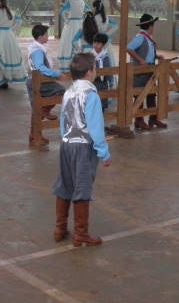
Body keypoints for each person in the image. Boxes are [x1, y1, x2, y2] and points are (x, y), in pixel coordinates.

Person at [52, 52, 112, 247]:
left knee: (65, 184)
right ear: (89, 72)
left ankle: (60, 228)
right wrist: (104, 152)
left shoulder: (68, 92)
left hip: (67, 144)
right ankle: (81, 233)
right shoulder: (91, 95)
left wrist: (65, 137)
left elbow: (63, 119)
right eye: (94, 68)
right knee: (82, 187)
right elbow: (95, 127)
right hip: (83, 147)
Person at [26, 24, 67, 147]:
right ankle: (45, 111)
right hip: (38, 82)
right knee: (60, 90)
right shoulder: (37, 51)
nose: (48, 36)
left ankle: (35, 135)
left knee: (36, 108)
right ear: (40, 37)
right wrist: (56, 74)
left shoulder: (37, 48)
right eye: (46, 34)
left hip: (36, 81)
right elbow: (40, 67)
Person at [126, 14, 167, 131]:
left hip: (150, 70)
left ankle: (153, 118)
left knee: (151, 94)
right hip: (141, 71)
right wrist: (140, 60)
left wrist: (157, 56)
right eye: (153, 25)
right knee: (140, 94)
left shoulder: (147, 38)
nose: (154, 28)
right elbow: (129, 48)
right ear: (150, 26)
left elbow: (148, 52)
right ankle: (139, 120)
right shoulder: (140, 37)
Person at [0, 0, 27, 89]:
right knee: (8, 56)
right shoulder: (11, 12)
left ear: (0, 3)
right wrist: (13, 30)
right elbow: (19, 21)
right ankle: (5, 81)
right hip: (9, 35)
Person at [56, 0, 90, 71]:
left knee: (67, 41)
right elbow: (89, 10)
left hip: (71, 24)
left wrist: (66, 20)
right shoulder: (82, 1)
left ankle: (67, 64)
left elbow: (61, 11)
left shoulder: (69, 1)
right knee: (80, 41)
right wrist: (83, 17)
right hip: (80, 23)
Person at [92, 0, 118, 72]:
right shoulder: (106, 17)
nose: (92, 9)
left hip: (97, 40)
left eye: (93, 7)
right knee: (108, 58)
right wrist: (106, 34)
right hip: (106, 41)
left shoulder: (95, 18)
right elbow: (116, 26)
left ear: (95, 8)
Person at [92, 33, 113, 112]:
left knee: (101, 104)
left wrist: (111, 81)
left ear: (103, 45)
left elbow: (108, 70)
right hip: (92, 83)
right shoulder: (90, 55)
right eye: (94, 42)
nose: (95, 45)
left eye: (98, 43)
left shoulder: (105, 56)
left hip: (102, 83)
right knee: (92, 104)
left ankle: (100, 118)